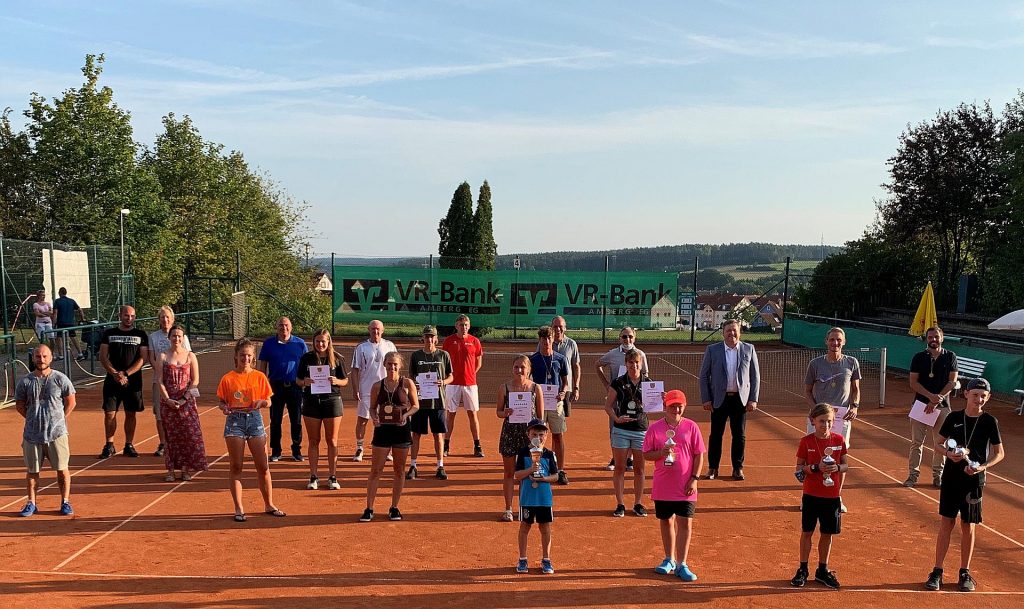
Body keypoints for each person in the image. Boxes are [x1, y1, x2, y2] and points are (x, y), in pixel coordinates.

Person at [924, 378, 1005, 593]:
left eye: (983, 396)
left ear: (987, 398)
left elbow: (1000, 453)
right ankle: (937, 571)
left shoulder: (990, 421)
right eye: (975, 394)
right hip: (951, 478)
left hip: (974, 482)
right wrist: (949, 454)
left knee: (968, 526)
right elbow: (938, 444)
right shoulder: (953, 417)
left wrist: (982, 468)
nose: (979, 399)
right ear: (966, 394)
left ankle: (964, 572)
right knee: (946, 524)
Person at [217, 338, 285, 522]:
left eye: (249, 356)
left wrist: (262, 402)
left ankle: (269, 504)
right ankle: (239, 508)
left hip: (255, 420)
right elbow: (222, 402)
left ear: (253, 358)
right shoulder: (228, 378)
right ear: (236, 357)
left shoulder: (259, 377)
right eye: (242, 355)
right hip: (234, 422)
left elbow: (269, 400)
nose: (245, 359)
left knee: (263, 466)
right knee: (236, 466)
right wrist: (224, 408)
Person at [643, 389, 705, 581]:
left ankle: (682, 563)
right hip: (663, 485)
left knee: (685, 522)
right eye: (672, 406)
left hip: (686, 485)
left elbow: (699, 454)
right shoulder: (654, 429)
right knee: (666, 521)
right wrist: (661, 452)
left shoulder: (692, 427)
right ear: (665, 406)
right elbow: (646, 454)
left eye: (679, 406)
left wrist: (694, 479)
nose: (676, 409)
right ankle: (669, 559)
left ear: (684, 406)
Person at [790, 403, 849, 590]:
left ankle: (822, 570)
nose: (826, 425)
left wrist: (837, 468)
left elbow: (845, 465)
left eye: (829, 421)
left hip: (831, 496)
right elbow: (798, 470)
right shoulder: (806, 442)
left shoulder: (839, 440)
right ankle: (803, 569)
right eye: (822, 421)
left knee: (827, 534)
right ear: (813, 421)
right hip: (810, 495)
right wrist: (815, 468)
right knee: (807, 532)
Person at [15, 344, 76, 517]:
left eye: (44, 356)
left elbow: (71, 401)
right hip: (32, 436)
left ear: (51, 358)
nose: (41, 360)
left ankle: (65, 502)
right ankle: (31, 503)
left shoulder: (60, 379)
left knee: (62, 469)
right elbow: (19, 405)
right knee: (32, 471)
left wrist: (60, 419)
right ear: (33, 358)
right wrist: (32, 419)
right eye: (37, 356)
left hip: (57, 434)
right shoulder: (25, 381)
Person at [804, 326, 860, 513]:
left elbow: (856, 390)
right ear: (826, 342)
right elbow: (808, 391)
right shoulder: (815, 364)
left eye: (838, 340)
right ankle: (808, 496)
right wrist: (815, 412)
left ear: (843, 342)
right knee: (812, 457)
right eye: (832, 340)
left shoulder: (852, 362)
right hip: (818, 417)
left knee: (838, 458)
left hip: (841, 418)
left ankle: (836, 496)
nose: (835, 343)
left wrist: (854, 406)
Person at [698, 319, 760, 481]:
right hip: (719, 399)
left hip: (740, 400)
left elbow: (755, 376)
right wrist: (706, 399)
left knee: (739, 435)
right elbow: (704, 376)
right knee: (716, 435)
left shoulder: (749, 349)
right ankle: (713, 468)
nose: (731, 333)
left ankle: (737, 468)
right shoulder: (712, 350)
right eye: (728, 331)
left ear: (740, 332)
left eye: (734, 330)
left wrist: (753, 399)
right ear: (723, 333)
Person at [360, 352, 419, 522]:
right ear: (384, 365)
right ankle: (369, 508)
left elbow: (415, 406)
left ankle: (394, 507)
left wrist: (405, 415)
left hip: (401, 430)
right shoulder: (377, 386)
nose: (392, 367)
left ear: (400, 366)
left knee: (399, 470)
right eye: (389, 364)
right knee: (376, 470)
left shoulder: (407, 383)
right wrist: (375, 418)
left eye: (395, 364)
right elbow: (372, 408)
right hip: (382, 431)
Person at [905, 326, 958, 488]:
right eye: (930, 337)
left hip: (942, 407)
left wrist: (937, 400)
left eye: (936, 337)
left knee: (940, 444)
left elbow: (952, 382)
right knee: (916, 443)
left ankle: (938, 476)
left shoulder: (950, 356)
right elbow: (913, 382)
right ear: (926, 339)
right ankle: (912, 476)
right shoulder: (918, 357)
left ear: (942, 338)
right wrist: (930, 397)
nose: (933, 340)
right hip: (920, 405)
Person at [296, 329, 348, 490]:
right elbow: (297, 380)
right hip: (311, 401)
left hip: (332, 400)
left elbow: (345, 381)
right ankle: (314, 476)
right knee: (313, 440)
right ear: (314, 342)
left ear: (328, 342)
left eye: (323, 341)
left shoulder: (337, 359)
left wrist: (336, 381)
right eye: (317, 341)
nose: (320, 344)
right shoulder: (307, 358)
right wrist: (305, 381)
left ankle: (332, 477)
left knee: (332, 440)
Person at [155, 324, 207, 482]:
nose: (176, 338)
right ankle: (170, 470)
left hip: (187, 403)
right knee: (170, 438)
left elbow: (195, 380)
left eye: (179, 336)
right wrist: (168, 399)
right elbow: (159, 380)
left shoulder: (191, 356)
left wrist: (184, 399)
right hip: (168, 404)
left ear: (183, 338)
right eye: (173, 336)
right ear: (169, 338)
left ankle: (185, 470)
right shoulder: (162, 356)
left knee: (189, 435)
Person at [497, 355, 546, 522]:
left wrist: (540, 439)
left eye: (522, 367)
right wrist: (506, 413)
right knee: (509, 473)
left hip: (530, 437)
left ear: (529, 370)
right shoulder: (504, 387)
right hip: (510, 434)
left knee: (528, 473)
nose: (519, 370)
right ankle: (508, 509)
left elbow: (540, 418)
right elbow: (498, 412)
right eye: (516, 367)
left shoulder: (535, 388)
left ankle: (525, 507)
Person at [604, 349, 651, 518]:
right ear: (626, 364)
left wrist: (662, 398)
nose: (634, 365)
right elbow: (608, 406)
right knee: (620, 468)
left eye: (637, 362)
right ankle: (620, 504)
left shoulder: (648, 383)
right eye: (631, 362)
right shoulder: (618, 382)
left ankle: (638, 503)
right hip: (621, 431)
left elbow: (655, 406)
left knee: (639, 469)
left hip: (640, 431)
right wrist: (616, 419)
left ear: (641, 363)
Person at [98, 305, 149, 459]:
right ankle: (109, 445)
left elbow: (143, 358)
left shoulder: (141, 334)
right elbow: (102, 356)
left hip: (133, 382)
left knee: (131, 413)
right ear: (120, 315)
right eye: (126, 315)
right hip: (112, 381)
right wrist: (115, 373)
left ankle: (129, 444)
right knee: (109, 414)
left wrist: (126, 374)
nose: (129, 318)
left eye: (132, 316)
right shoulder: (109, 333)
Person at [595, 327, 649, 470]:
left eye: (630, 336)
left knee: (634, 427)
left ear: (634, 338)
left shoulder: (641, 354)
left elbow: (646, 376)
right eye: (624, 337)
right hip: (617, 400)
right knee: (615, 427)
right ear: (620, 338)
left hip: (635, 401)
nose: (627, 340)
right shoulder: (612, 354)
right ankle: (616, 458)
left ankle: (629, 459)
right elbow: (597, 365)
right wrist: (607, 385)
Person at [258, 316, 308, 462]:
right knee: (275, 420)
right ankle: (276, 451)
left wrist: (305, 381)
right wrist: (263, 384)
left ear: (291, 327)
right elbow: (263, 366)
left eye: (286, 325)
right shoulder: (268, 344)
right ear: (276, 327)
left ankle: (296, 450)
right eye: (280, 325)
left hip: (295, 387)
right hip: (275, 387)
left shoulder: (300, 343)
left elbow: (307, 365)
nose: (283, 328)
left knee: (296, 420)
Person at [513, 418, 559, 574]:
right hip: (527, 498)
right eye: (534, 434)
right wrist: (530, 470)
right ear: (528, 434)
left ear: (546, 435)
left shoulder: (549, 454)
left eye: (541, 434)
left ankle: (546, 560)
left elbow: (556, 476)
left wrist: (543, 479)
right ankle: (522, 559)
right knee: (525, 526)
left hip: (544, 499)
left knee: (545, 528)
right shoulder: (522, 453)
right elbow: (517, 475)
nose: (537, 438)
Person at [407, 325, 453, 481]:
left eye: (432, 336)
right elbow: (411, 376)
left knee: (438, 434)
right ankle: (413, 465)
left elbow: (451, 376)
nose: (429, 339)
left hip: (438, 401)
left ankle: (440, 466)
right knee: (416, 434)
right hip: (420, 402)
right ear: (423, 338)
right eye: (426, 336)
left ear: (436, 339)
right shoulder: (416, 356)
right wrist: (415, 384)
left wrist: (443, 382)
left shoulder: (443, 355)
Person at [149, 306, 193, 457]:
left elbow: (188, 357)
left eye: (168, 317)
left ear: (172, 319)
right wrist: (164, 372)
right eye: (162, 317)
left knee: (184, 415)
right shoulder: (153, 337)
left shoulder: (183, 337)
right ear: (159, 320)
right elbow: (151, 358)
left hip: (181, 384)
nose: (165, 319)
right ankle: (163, 443)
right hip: (160, 382)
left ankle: (181, 443)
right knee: (160, 415)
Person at [350, 319, 397, 462]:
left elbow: (396, 367)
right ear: (368, 330)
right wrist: (355, 388)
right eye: (373, 329)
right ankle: (359, 448)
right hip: (366, 389)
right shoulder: (361, 347)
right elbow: (355, 369)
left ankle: (386, 448)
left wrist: (395, 387)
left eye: (378, 329)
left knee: (386, 421)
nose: (375, 332)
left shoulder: (389, 345)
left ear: (382, 331)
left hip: (386, 390)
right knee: (363, 420)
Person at [529, 326, 570, 484]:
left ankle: (560, 471)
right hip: (538, 403)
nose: (546, 341)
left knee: (558, 436)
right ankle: (536, 469)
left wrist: (563, 392)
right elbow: (528, 381)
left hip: (556, 403)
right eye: (543, 339)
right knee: (537, 438)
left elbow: (565, 382)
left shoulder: (560, 359)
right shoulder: (533, 360)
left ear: (554, 339)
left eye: (549, 338)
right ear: (539, 340)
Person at [443, 314, 485, 458]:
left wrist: (470, 374)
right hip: (452, 384)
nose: (464, 327)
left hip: (470, 384)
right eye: (461, 325)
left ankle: (477, 446)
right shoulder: (449, 341)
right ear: (456, 326)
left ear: (469, 326)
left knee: (472, 414)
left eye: (466, 325)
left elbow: (479, 362)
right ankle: (446, 446)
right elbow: (444, 362)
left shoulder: (475, 341)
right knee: (450, 415)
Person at [551, 316, 581, 482]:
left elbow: (576, 366)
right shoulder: (545, 342)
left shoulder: (572, 344)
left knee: (559, 431)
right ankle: (550, 460)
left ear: (565, 328)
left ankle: (559, 466)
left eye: (561, 326)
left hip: (565, 391)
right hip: (547, 393)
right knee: (546, 430)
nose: (558, 329)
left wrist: (575, 386)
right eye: (555, 326)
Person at [52, 287, 87, 361]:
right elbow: (80, 310)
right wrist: (82, 319)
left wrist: (53, 323)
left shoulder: (57, 301)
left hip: (61, 322)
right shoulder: (71, 301)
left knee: (59, 337)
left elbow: (55, 313)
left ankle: (61, 355)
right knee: (73, 337)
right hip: (70, 323)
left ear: (60, 293)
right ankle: (80, 353)